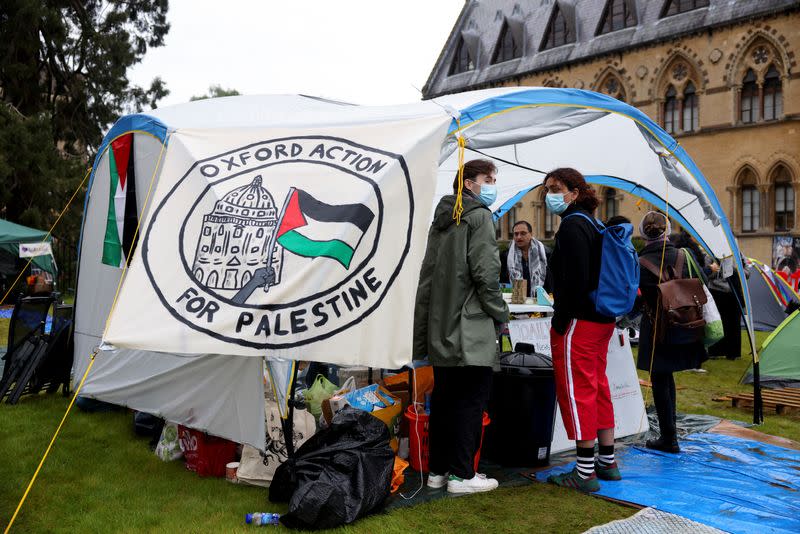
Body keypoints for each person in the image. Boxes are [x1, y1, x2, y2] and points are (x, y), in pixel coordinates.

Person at [413, 159, 509, 494]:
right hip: (470, 329)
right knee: (470, 402)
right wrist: (501, 312)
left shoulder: (441, 220)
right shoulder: (479, 217)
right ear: (468, 184)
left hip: (442, 327)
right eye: (488, 178)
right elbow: (486, 273)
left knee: (444, 402)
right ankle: (462, 475)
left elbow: (426, 280)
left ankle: (438, 472)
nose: (493, 184)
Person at [542, 168, 619, 493]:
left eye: (556, 188)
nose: (550, 195)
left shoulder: (573, 226)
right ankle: (607, 461)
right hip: (601, 319)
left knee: (579, 392)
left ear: (574, 192)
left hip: (579, 322)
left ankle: (585, 471)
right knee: (598, 387)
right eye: (547, 189)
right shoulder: (593, 222)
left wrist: (560, 321)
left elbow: (573, 281)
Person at [636, 212, 706, 453]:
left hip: (656, 325)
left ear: (643, 233)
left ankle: (669, 437)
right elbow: (702, 279)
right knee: (667, 378)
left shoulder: (640, 261)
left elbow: (635, 297)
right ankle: (670, 434)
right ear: (666, 230)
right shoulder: (683, 255)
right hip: (683, 322)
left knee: (660, 379)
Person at [500, 220, 549, 296]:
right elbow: (503, 281)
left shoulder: (545, 253)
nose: (519, 237)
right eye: (516, 234)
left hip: (541, 301)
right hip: (516, 302)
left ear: (531, 234)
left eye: (523, 233)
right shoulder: (505, 256)